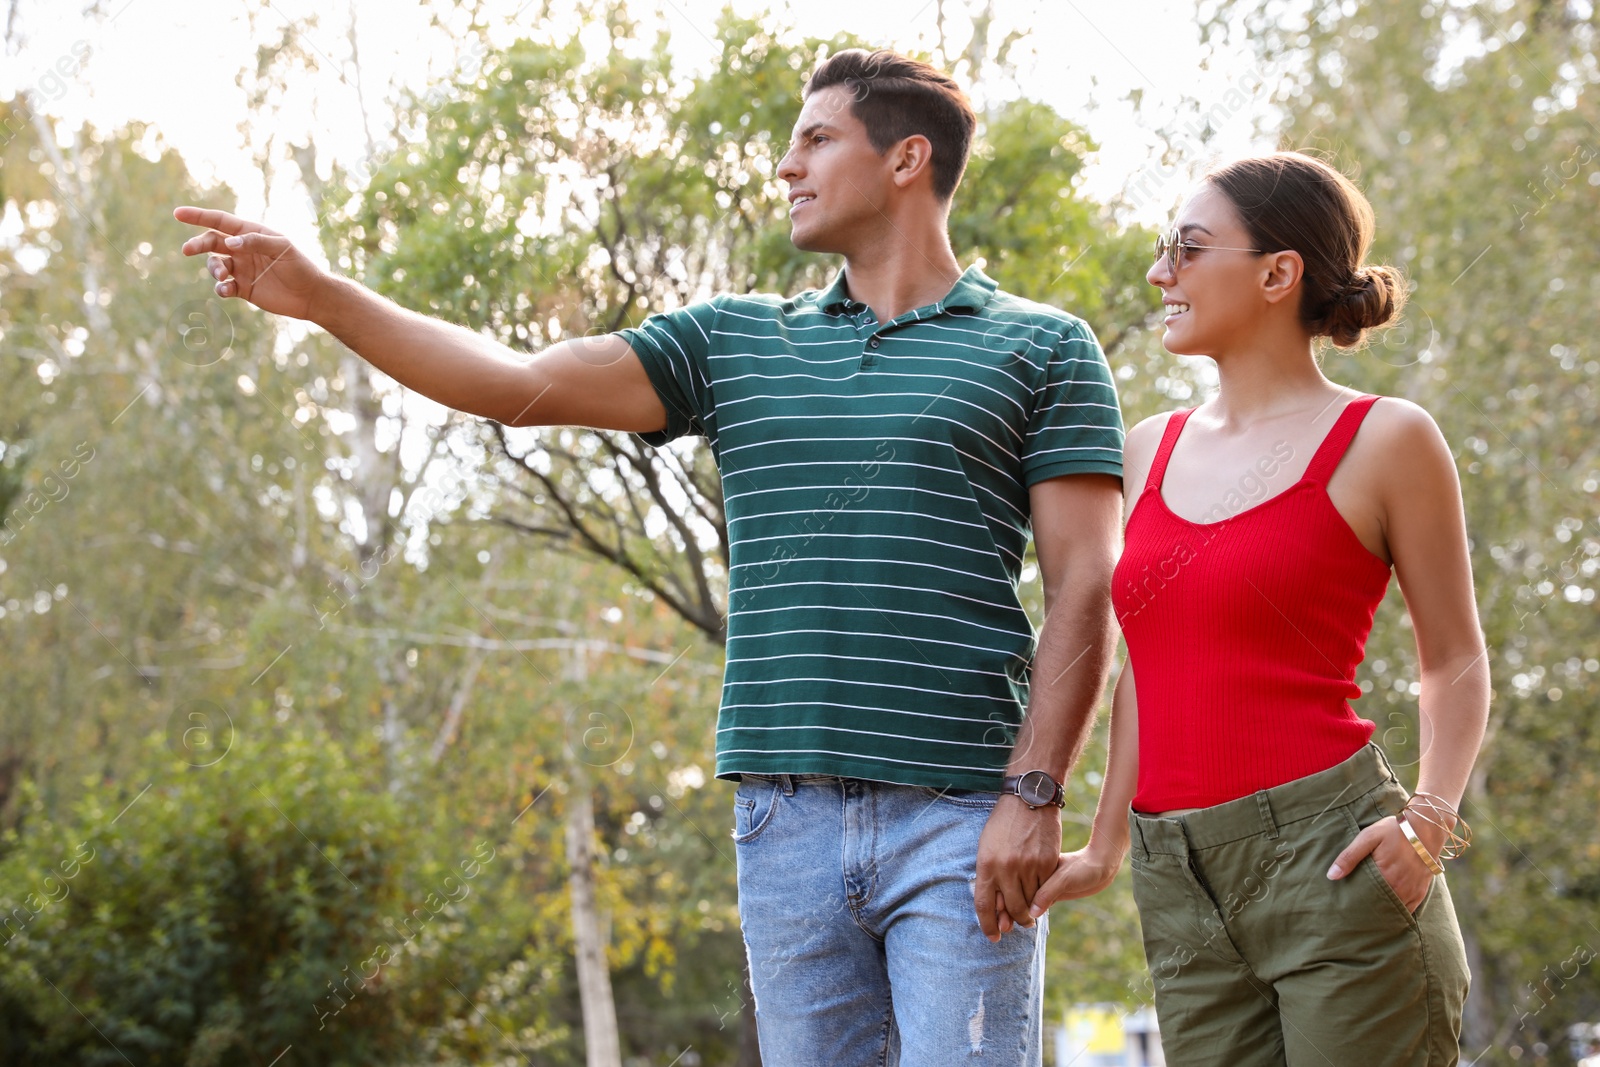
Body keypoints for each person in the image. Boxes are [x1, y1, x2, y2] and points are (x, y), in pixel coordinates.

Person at [175, 49, 1125, 1065]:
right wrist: (322, 295)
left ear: (906, 158)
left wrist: (1034, 793)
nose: (784, 166)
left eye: (814, 139)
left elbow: (1086, 587)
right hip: (784, 821)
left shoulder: (1041, 347)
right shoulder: (733, 342)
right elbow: (517, 383)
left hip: (960, 818)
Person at [1028, 152, 1490, 1065]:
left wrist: (1431, 817)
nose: (1161, 273)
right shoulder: (1147, 448)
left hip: (1334, 860)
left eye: (1188, 250)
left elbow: (1455, 660)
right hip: (1181, 882)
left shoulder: (1388, 438)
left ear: (1279, 274)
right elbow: (1146, 669)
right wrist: (1106, 841)